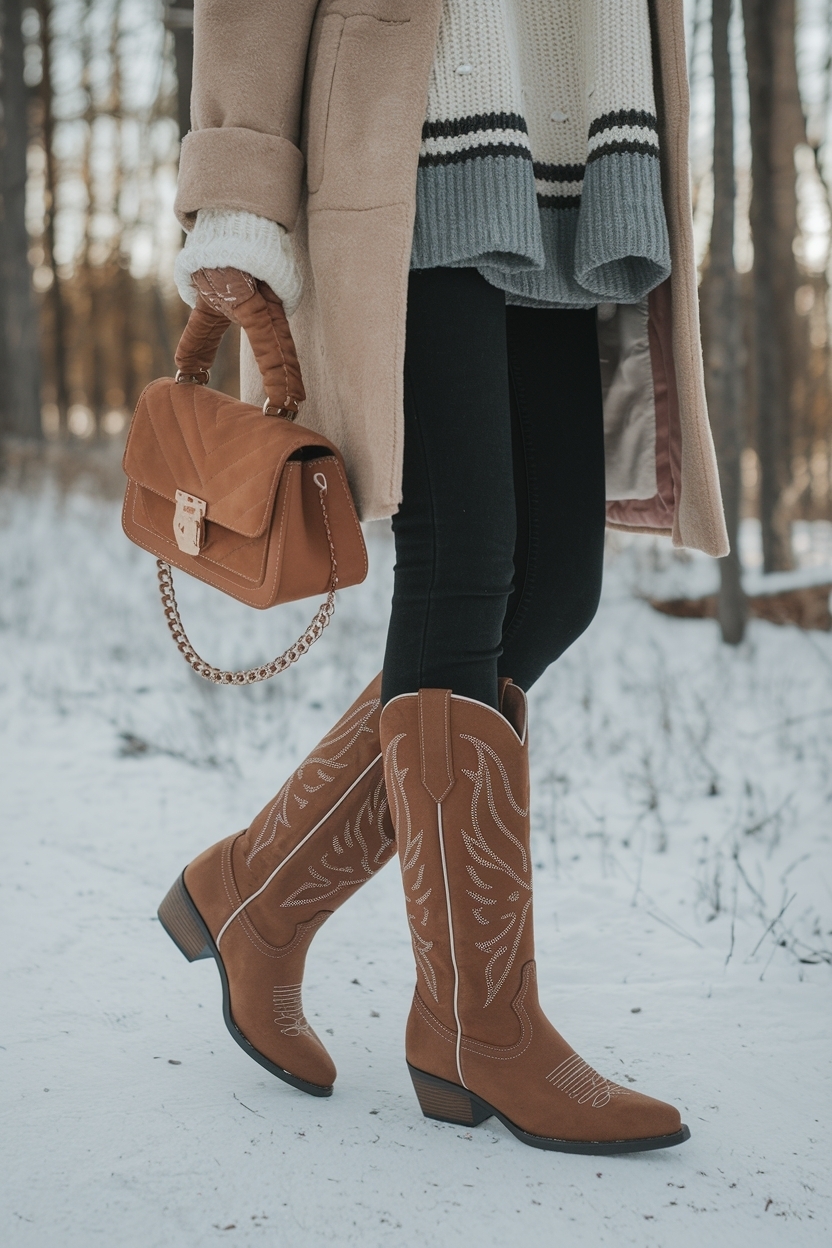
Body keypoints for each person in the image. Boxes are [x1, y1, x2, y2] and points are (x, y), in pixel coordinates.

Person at [157, 0, 727, 1155]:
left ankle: (254, 898)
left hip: (573, 142)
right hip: (416, 129)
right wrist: (238, 184)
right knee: (462, 568)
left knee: (557, 584)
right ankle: (482, 1028)